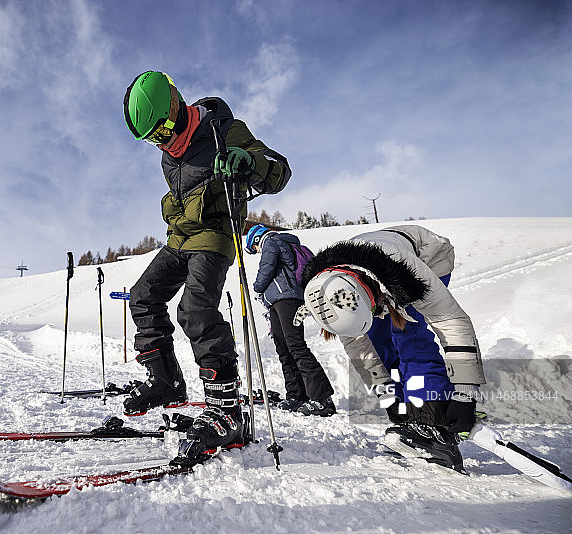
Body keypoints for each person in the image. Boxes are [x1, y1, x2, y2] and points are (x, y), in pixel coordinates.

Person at [122, 71, 291, 455]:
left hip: (214, 237)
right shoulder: (168, 155)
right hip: (179, 238)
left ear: (175, 105)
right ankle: (165, 381)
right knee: (144, 296)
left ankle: (227, 412)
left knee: (195, 309)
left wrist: (248, 161)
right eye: (152, 138)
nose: (162, 141)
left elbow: (279, 171)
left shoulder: (223, 131)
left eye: (163, 130)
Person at [296, 225, 485, 472]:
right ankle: (411, 412)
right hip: (370, 271)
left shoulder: (405, 270)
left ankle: (432, 422)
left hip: (428, 257)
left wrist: (465, 393)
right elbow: (358, 346)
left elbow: (452, 322)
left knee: (409, 335)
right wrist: (387, 395)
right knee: (378, 341)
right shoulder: (325, 290)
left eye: (375, 310)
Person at [246, 224, 336, 416]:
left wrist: (256, 286)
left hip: (287, 299)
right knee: (283, 347)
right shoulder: (277, 242)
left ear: (256, 239)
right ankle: (296, 395)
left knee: (295, 345)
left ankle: (322, 399)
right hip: (277, 302)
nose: (257, 251)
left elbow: (266, 268)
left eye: (254, 248)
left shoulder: (272, 241)